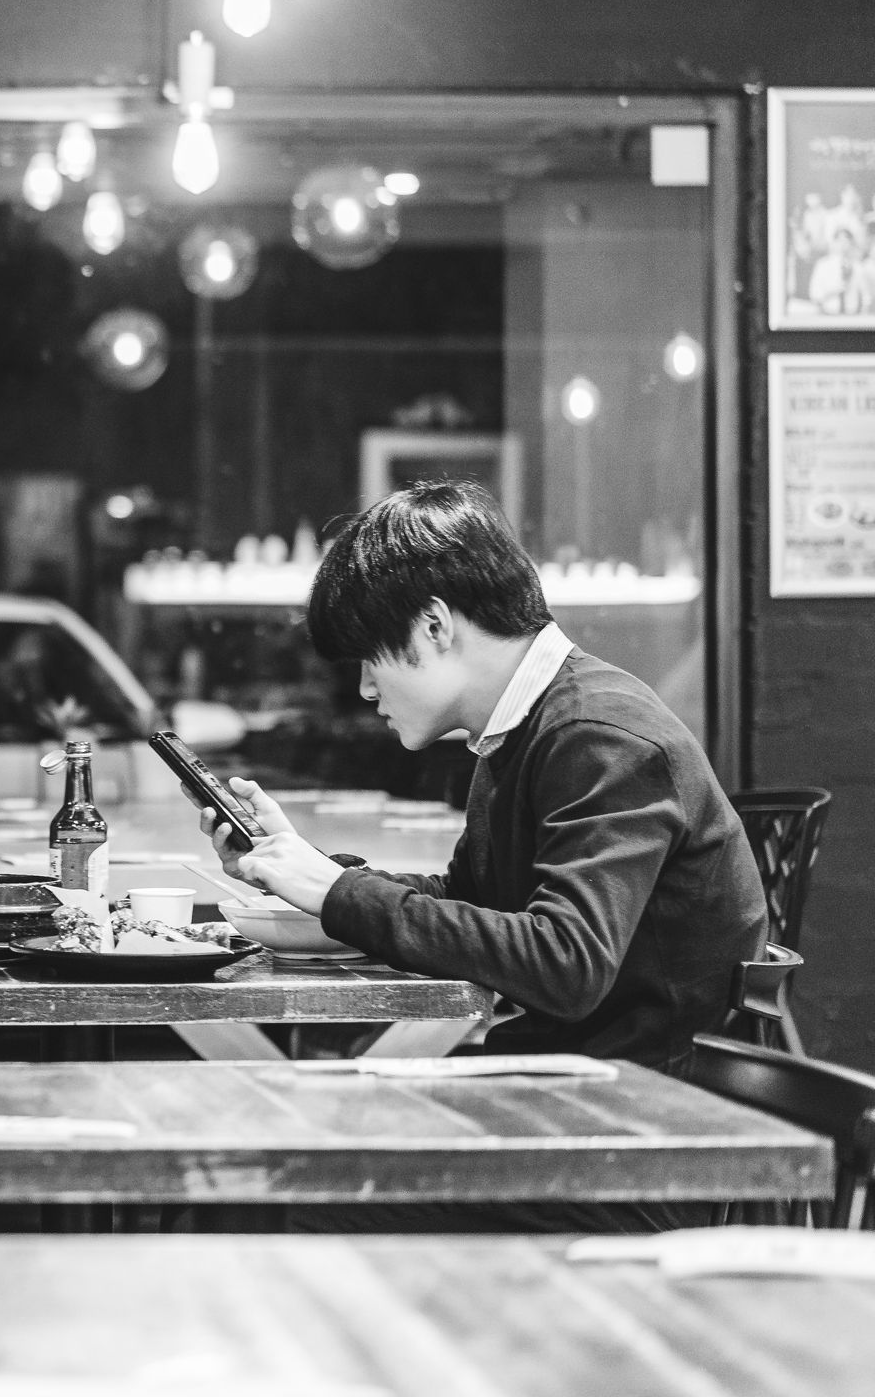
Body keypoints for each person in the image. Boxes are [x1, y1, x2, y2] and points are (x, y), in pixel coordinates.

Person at [205, 482, 767, 1231]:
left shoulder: (601, 736)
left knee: (283, 1181)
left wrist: (343, 895)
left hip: (635, 1142)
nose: (366, 687)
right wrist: (320, 887)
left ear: (435, 624)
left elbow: (566, 962)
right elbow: (472, 900)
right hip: (567, 1100)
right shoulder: (524, 730)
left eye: (371, 658)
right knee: (275, 1144)